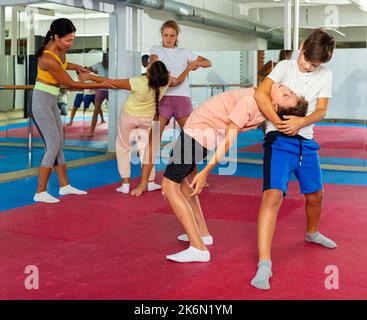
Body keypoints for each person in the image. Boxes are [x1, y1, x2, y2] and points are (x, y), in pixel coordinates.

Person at [161, 84, 308, 263]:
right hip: (198, 133)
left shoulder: (249, 103)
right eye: (290, 91)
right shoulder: (260, 100)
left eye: (286, 95)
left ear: (274, 107)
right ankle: (202, 233)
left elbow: (229, 141)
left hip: (197, 136)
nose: (286, 88)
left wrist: (206, 171)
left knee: (169, 186)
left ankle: (198, 247)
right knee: (180, 179)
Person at [250, 28, 337, 290]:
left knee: (316, 195)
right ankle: (264, 264)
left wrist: (301, 121)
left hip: (307, 142)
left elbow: (321, 109)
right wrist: (279, 123)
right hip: (279, 142)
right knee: (272, 196)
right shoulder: (285, 66)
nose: (309, 67)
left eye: (315, 64)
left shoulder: (325, 74)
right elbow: (260, 94)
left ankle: (312, 233)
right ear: (302, 46)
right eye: (307, 61)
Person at [78, 60, 197, 194]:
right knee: (147, 150)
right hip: (148, 119)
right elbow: (179, 80)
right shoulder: (166, 81)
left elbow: (111, 82)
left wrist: (89, 77)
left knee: (123, 146)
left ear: (149, 73)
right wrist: (188, 68)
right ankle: (150, 182)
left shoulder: (139, 81)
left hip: (128, 116)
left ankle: (125, 183)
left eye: (149, 66)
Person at [31, 18, 114, 204]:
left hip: (51, 100)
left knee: (58, 144)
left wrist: (76, 66)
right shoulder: (47, 58)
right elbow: (69, 83)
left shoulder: (59, 50)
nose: (71, 43)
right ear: (56, 37)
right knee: (53, 145)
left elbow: (64, 65)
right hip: (41, 102)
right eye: (68, 40)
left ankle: (64, 186)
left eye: (72, 39)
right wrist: (96, 81)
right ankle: (40, 191)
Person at [130, 20, 212, 196]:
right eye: (165, 35)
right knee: (153, 141)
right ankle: (143, 182)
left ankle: (196, 176)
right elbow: (153, 61)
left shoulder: (184, 53)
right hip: (164, 99)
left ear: (177, 37)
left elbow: (208, 62)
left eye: (172, 35)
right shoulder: (156, 49)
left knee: (192, 139)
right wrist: (155, 65)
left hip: (183, 100)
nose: (168, 39)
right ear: (161, 35)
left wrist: (196, 64)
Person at [81, 53, 109, 137]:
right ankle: (91, 132)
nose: (105, 59)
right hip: (100, 89)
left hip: (110, 90)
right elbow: (88, 69)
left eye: (106, 58)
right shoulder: (98, 64)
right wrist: (83, 70)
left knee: (115, 110)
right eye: (104, 57)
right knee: (96, 111)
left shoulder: (112, 65)